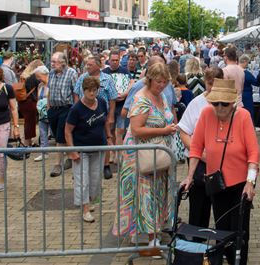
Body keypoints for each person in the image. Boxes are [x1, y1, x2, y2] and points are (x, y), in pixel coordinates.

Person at [181, 78, 260, 265]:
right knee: (221, 230)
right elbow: (195, 148)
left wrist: (250, 182)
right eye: (215, 103)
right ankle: (224, 258)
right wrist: (190, 176)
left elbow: (254, 153)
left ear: (232, 103)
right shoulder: (206, 114)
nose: (219, 108)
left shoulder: (243, 116)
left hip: (240, 184)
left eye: (224, 104)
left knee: (240, 232)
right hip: (216, 183)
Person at [113, 63, 177, 247]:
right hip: (141, 154)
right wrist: (164, 130)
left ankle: (148, 231)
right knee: (144, 194)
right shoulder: (141, 99)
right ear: (149, 80)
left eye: (164, 82)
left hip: (158, 152)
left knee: (157, 192)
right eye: (158, 82)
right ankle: (150, 237)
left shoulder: (162, 95)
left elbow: (167, 115)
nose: (162, 85)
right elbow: (136, 129)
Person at [177, 67, 224, 230]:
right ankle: (196, 245)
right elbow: (183, 131)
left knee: (222, 209)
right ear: (206, 82)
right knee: (198, 208)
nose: (213, 88)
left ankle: (223, 246)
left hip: (222, 163)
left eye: (217, 84)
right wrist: (198, 152)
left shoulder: (230, 104)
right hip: (199, 164)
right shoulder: (197, 103)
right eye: (210, 83)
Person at [65, 76, 108, 223]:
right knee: (82, 180)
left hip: (99, 147)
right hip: (81, 149)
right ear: (84, 91)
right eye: (89, 91)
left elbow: (105, 121)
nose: (92, 93)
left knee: (95, 179)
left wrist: (108, 138)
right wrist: (72, 150)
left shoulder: (102, 102)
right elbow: (68, 130)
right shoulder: (76, 109)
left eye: (95, 90)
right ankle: (84, 208)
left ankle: (89, 201)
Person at [74, 56, 117, 179]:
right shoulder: (82, 78)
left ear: (98, 66)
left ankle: (106, 165)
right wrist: (77, 109)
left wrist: (111, 116)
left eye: (90, 65)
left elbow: (112, 98)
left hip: (102, 114)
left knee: (105, 138)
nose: (87, 67)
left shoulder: (107, 79)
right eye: (87, 64)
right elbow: (76, 93)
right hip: (84, 116)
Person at [0, 65, 20, 191]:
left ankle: (2, 178)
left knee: (1, 154)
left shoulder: (7, 88)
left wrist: (16, 126)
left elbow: (13, 108)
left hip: (2, 125)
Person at [48, 52, 78, 177]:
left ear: (62, 62)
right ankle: (70, 156)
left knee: (60, 136)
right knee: (57, 136)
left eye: (54, 62)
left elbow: (76, 92)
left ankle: (57, 164)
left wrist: (75, 110)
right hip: (53, 109)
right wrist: (48, 107)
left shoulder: (71, 73)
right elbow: (49, 90)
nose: (52, 64)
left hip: (66, 108)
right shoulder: (51, 74)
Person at [103, 50, 134, 150]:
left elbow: (131, 83)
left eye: (117, 60)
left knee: (120, 130)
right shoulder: (104, 72)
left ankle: (118, 154)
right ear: (109, 60)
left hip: (122, 105)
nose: (115, 62)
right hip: (108, 106)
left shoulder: (125, 71)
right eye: (113, 60)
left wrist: (125, 94)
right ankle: (111, 152)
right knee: (110, 130)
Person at [17, 59, 44, 147]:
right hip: (30, 102)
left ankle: (28, 141)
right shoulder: (34, 76)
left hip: (23, 101)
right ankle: (27, 143)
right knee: (30, 123)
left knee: (27, 122)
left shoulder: (24, 75)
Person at [34, 65, 51, 162]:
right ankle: (44, 152)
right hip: (42, 112)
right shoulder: (40, 85)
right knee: (43, 132)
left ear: (45, 74)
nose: (37, 78)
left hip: (51, 111)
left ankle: (64, 150)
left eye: (38, 76)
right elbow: (38, 98)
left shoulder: (52, 84)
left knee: (56, 133)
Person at [239, 54, 256, 122]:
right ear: (244, 61)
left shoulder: (235, 71)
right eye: (247, 63)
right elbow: (255, 82)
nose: (247, 65)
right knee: (248, 112)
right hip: (246, 95)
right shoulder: (246, 73)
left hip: (237, 94)